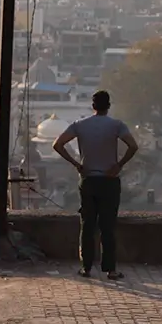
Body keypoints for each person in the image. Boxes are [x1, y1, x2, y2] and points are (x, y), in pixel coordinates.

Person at [52, 90, 139, 280]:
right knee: (108, 226)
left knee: (88, 224)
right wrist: (119, 165)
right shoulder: (116, 125)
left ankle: (86, 267)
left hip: (89, 179)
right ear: (108, 106)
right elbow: (133, 146)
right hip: (109, 180)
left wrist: (76, 164)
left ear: (93, 106)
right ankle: (111, 269)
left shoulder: (80, 125)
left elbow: (57, 145)